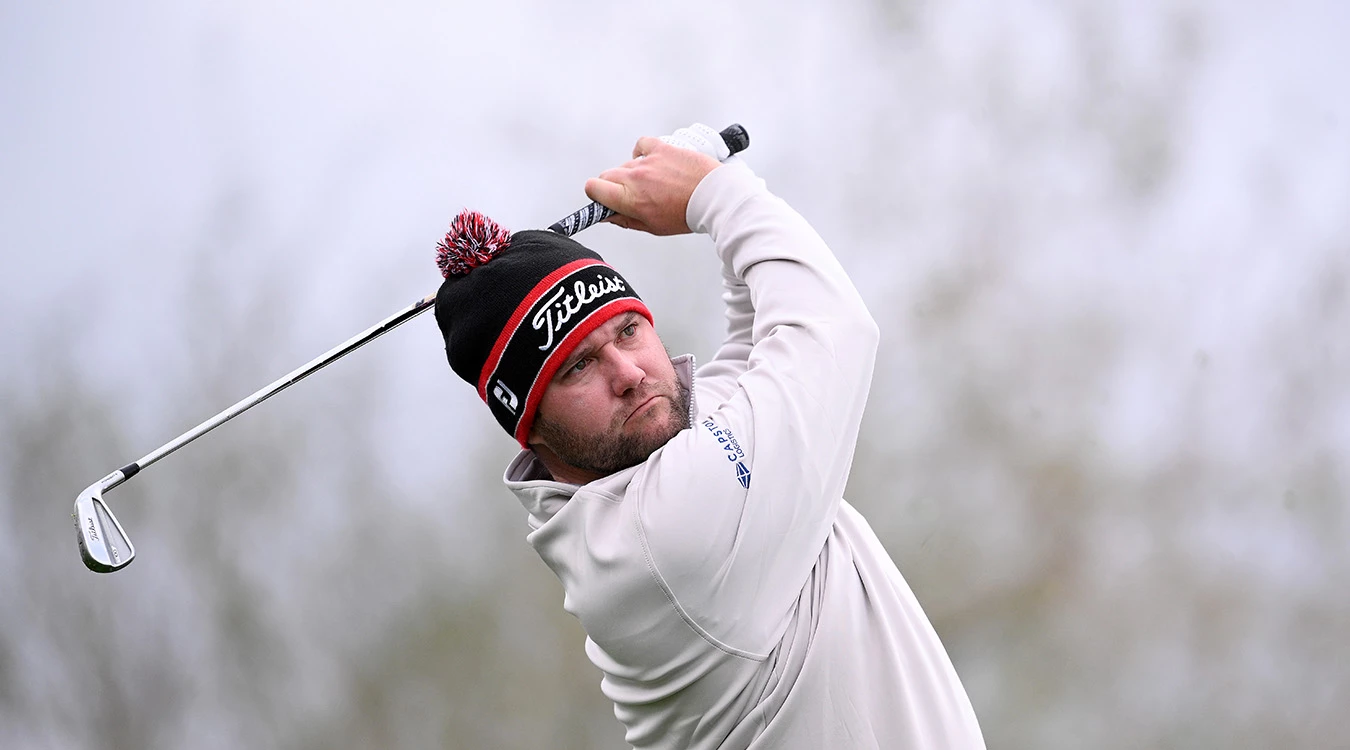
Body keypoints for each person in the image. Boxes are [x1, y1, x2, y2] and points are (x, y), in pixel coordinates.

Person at [433, 124, 985, 749]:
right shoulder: (665, 536)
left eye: (627, 331)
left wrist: (709, 180)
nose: (629, 374)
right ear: (531, 428)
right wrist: (713, 194)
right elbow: (832, 328)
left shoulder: (652, 463)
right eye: (578, 367)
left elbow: (759, 337)